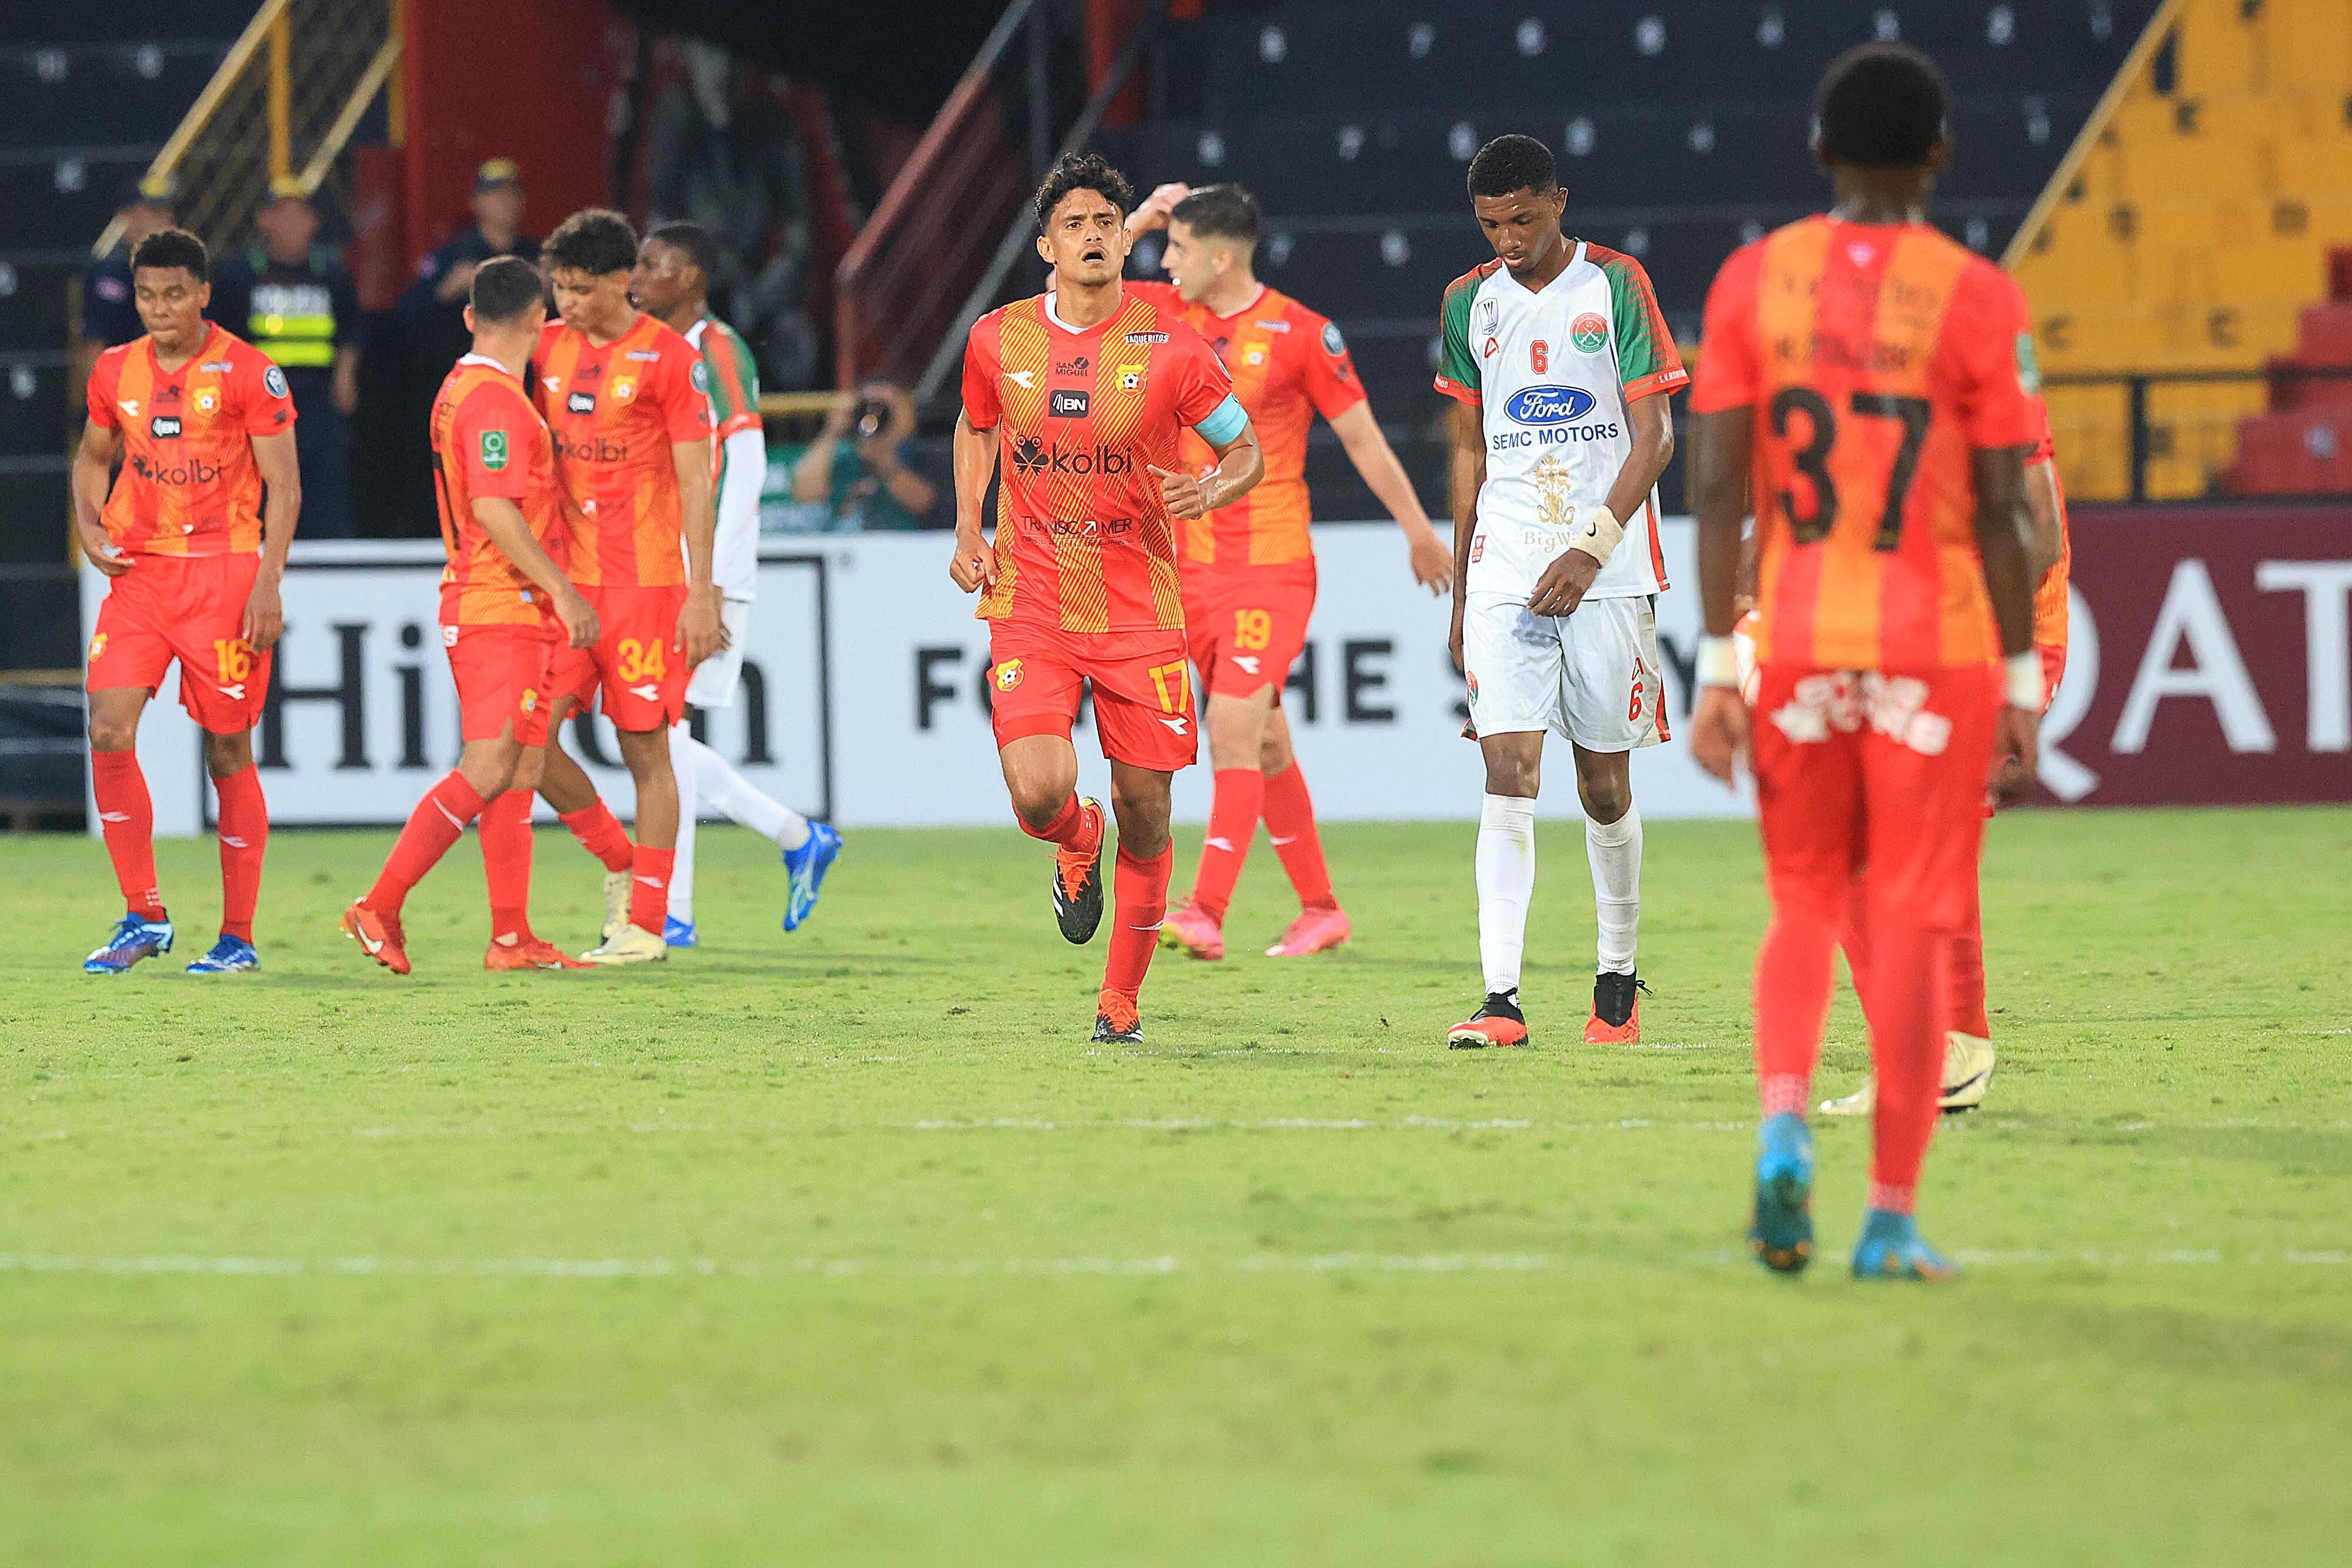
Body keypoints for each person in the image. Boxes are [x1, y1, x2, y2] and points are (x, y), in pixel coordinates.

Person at [1685, 42, 2044, 1281]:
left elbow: (1718, 491)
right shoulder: (1978, 298)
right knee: (1901, 922)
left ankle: (1783, 1116)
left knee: (1801, 901)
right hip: (1932, 650)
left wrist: (1715, 664)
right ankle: (1887, 1217)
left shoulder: (1751, 281)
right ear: (1938, 155)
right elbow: (2005, 514)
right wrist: (2019, 683)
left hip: (1791, 641)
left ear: (1818, 152)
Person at [950, 151, 1264, 1044]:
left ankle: (1119, 1002)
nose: (1092, 236)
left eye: (1106, 223)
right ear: (1046, 244)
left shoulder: (1172, 346)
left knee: (1151, 810)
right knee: (1041, 792)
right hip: (1033, 595)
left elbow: (1247, 452)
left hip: (1140, 605)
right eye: (1075, 225)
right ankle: (1074, 837)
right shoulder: (996, 338)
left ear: (1124, 239)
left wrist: (1215, 488)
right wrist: (971, 529)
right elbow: (977, 427)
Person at [1119, 180, 1454, 962]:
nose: (1163, 260)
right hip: (1185, 571)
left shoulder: (1303, 332)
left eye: (1176, 248)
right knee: (1265, 741)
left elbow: (1365, 440)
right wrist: (1139, 217)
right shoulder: (1164, 313)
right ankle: (1320, 908)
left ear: (1221, 255)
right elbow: (1065, 297)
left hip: (1270, 565)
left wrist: (1418, 532)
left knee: (1232, 727)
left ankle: (1204, 909)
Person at [1432, 134, 1686, 1051]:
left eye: (1524, 219)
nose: (1508, 237)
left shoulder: (1614, 285)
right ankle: (1500, 998)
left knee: (1603, 782)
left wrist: (1588, 551)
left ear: (1560, 203)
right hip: (1506, 563)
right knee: (1508, 771)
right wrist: (1464, 590)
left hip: (1607, 569)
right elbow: (1468, 447)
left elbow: (1655, 436)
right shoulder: (1470, 301)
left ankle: (1615, 976)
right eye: (1492, 223)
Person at [340, 258, 598, 974]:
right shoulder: (496, 405)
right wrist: (564, 591)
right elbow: (493, 507)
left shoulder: (458, 387)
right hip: (499, 604)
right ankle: (378, 904)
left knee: (519, 765)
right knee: (489, 764)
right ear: (539, 323)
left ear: (468, 316)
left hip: (494, 601)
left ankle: (510, 938)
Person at [1818, 393, 2072, 1117]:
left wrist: (2008, 672)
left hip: (1996, 633)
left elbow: (2041, 534)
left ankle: (1951, 1050)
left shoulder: (1988, 353)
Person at [75, 228, 300, 975]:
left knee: (227, 749)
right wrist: (85, 519)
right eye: (146, 295)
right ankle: (144, 914)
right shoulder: (114, 370)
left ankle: (238, 936)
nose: (159, 308)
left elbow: (285, 485)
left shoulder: (248, 373)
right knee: (108, 730)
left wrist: (268, 581)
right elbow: (93, 454)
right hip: (140, 577)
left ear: (204, 293)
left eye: (175, 294)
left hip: (223, 576)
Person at [515, 208, 721, 965]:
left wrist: (704, 591)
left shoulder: (668, 359)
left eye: (578, 289)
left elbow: (698, 480)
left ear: (618, 281)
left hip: (646, 585)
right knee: (525, 743)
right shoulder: (544, 349)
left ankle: (648, 923)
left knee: (646, 753)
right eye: (557, 288)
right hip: (567, 586)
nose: (565, 302)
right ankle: (621, 863)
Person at [628, 219, 841, 946]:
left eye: (653, 266)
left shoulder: (716, 349)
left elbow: (744, 464)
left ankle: (675, 912)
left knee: (660, 734)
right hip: (672, 571)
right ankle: (793, 837)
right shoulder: (660, 351)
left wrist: (708, 580)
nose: (637, 278)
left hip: (707, 575)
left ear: (690, 277)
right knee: (659, 734)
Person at [208, 178, 364, 538]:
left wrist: (346, 375)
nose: (292, 224)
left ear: (315, 222)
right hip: (258, 409)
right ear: (265, 221)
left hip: (319, 404)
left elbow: (353, 329)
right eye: (282, 214)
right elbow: (219, 340)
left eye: (300, 214)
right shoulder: (238, 275)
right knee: (259, 498)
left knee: (326, 499)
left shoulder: (333, 273)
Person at [390, 160, 540, 531]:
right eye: (495, 194)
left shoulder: (537, 259)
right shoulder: (452, 257)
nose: (506, 202)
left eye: (512, 193)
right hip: (458, 390)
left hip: (524, 391)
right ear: (477, 202)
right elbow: (405, 320)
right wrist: (447, 290)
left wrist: (549, 289)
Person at [74, 174, 179, 408]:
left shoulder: (186, 275)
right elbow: (95, 351)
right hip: (126, 401)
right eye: (154, 212)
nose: (166, 220)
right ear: (128, 216)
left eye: (167, 211)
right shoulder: (111, 274)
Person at [790, 379, 937, 529]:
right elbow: (804, 495)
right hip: (849, 543)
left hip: (903, 545)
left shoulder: (921, 452)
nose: (875, 414)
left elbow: (926, 504)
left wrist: (883, 460)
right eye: (867, 406)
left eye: (883, 408)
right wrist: (831, 433)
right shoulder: (845, 456)